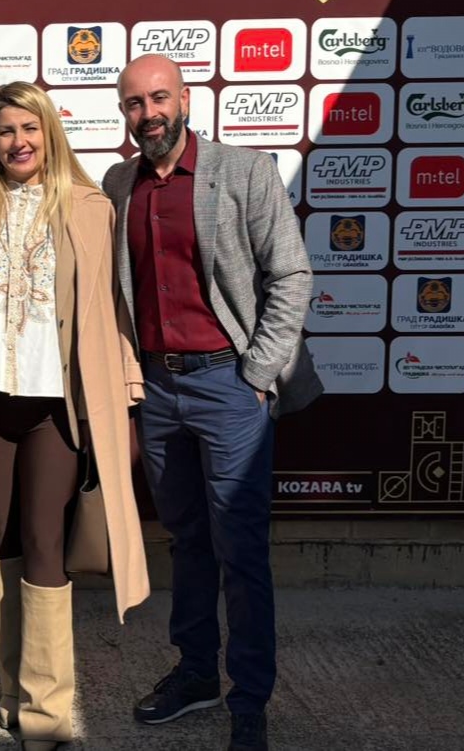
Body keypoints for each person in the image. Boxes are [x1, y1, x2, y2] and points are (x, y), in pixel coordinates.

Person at [0, 81, 150, 751]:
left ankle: (45, 712)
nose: (18, 142)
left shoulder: (90, 208)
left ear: (49, 133)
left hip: (57, 409)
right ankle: (11, 688)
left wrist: (127, 384)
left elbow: (113, 304)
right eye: (5, 130)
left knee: (45, 542)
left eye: (29, 128)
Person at [103, 55, 322, 751]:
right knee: (187, 541)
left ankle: (249, 698)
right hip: (157, 389)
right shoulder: (118, 184)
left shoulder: (244, 171)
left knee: (240, 548)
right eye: (134, 103)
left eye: (159, 98)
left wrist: (256, 374)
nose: (149, 114)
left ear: (185, 99)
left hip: (229, 384)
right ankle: (196, 674)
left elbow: (290, 274)